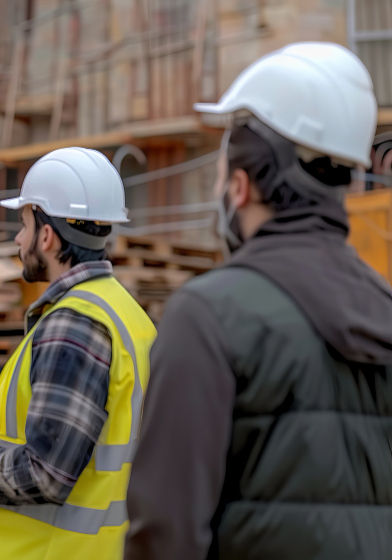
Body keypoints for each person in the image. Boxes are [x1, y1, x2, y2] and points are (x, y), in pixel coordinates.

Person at [125, 42, 392, 560]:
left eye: (222, 175)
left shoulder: (207, 315)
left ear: (241, 189)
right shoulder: (385, 304)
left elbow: (167, 533)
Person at [0, 147, 157, 560]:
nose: (18, 239)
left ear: (47, 235)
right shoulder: (129, 315)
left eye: (24, 224)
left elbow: (47, 474)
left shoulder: (73, 324)